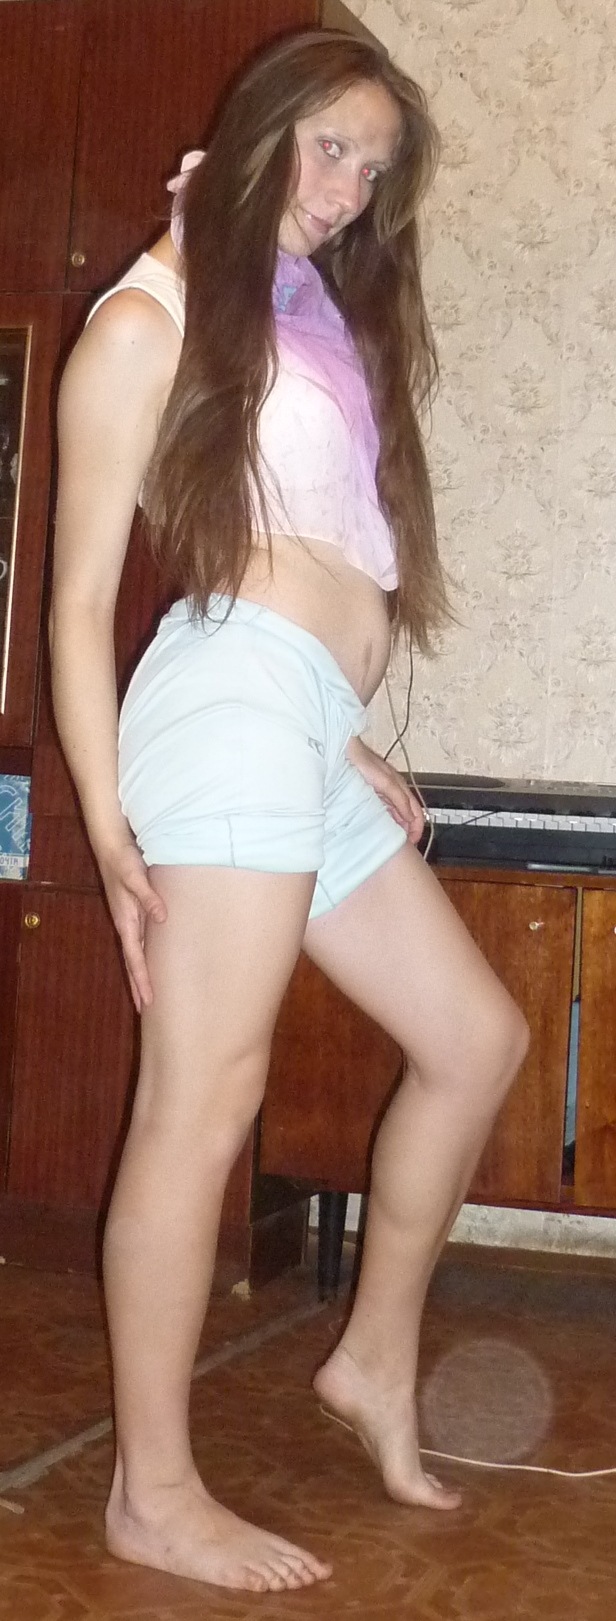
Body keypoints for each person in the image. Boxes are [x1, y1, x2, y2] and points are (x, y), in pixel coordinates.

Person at [50, 27, 529, 1597]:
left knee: (475, 1039)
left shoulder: (296, 312)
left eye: (373, 169)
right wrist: (108, 831)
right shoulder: (149, 317)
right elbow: (76, 607)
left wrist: (346, 734)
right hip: (229, 717)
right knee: (204, 1101)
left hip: (301, 729)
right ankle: (151, 1490)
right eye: (329, 148)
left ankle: (373, 1356)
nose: (347, 190)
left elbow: (310, 545)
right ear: (262, 132)